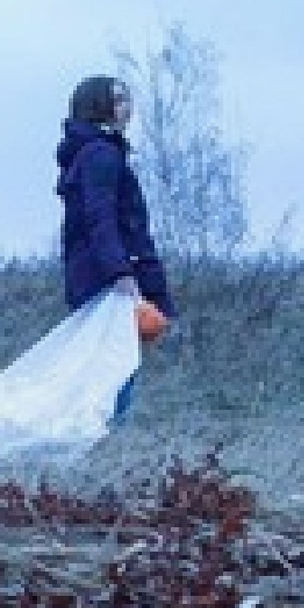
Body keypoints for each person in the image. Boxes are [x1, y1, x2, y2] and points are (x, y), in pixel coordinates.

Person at [56, 74, 173, 419]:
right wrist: (122, 273)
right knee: (114, 364)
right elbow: (100, 218)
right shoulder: (100, 155)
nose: (128, 107)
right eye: (119, 99)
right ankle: (103, 432)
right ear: (99, 107)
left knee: (109, 361)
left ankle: (101, 431)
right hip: (109, 278)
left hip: (102, 273)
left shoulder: (99, 153)